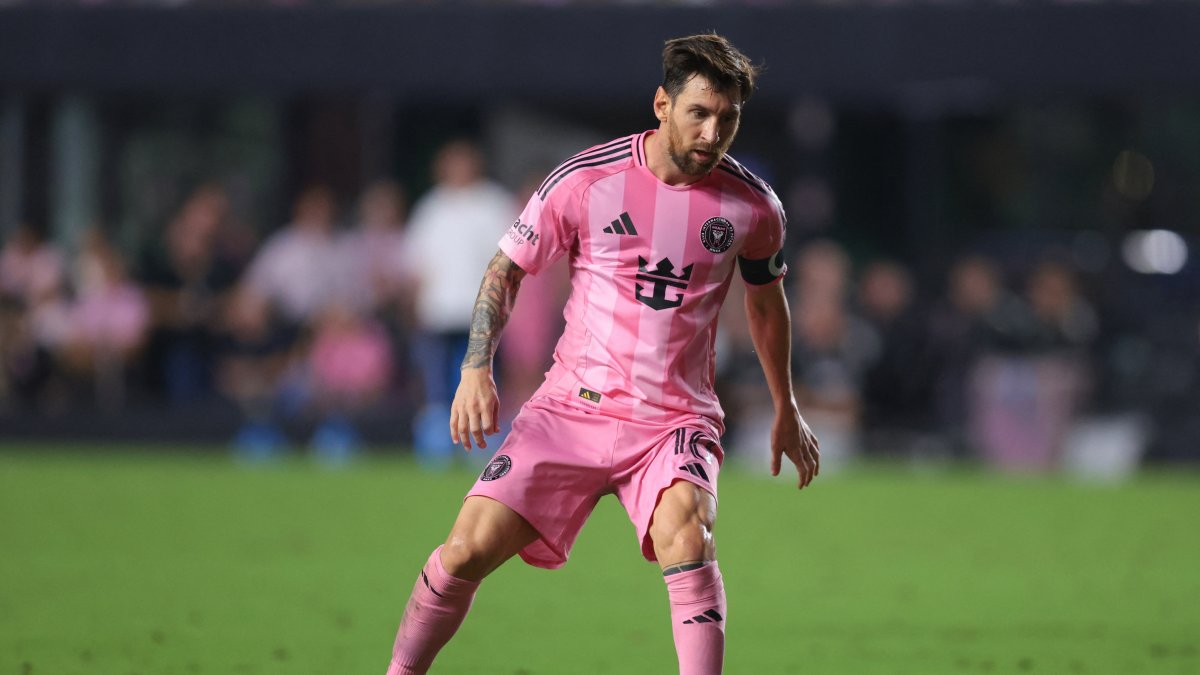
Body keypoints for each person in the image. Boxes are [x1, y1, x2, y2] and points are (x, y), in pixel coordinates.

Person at [383, 34, 821, 675]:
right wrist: (475, 368)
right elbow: (507, 269)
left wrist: (786, 405)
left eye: (728, 118)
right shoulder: (587, 180)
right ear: (662, 105)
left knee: (689, 536)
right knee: (466, 550)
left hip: (673, 418)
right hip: (571, 408)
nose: (712, 133)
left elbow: (765, 303)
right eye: (699, 113)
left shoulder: (754, 207)